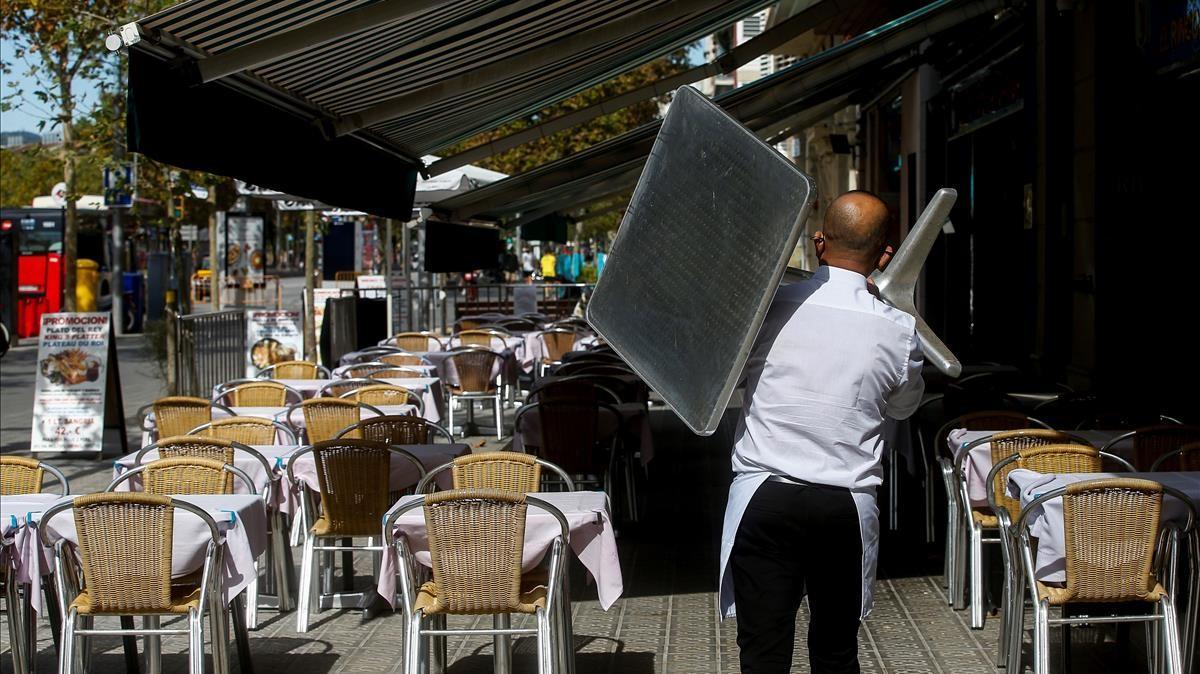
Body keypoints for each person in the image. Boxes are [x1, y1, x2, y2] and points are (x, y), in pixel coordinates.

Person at [719, 190, 922, 674]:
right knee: (835, 652)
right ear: (884, 255)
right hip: (845, 504)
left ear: (818, 243)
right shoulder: (897, 329)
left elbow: (723, 382)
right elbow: (904, 405)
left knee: (763, 654)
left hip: (764, 496)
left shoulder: (769, 308)